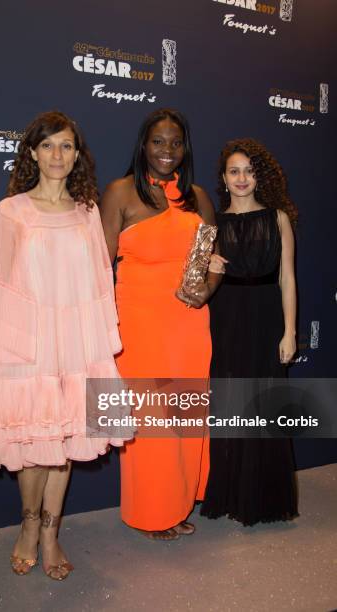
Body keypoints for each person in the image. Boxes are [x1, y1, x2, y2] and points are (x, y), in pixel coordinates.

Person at [0, 111, 128, 579]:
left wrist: (101, 347)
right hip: (24, 343)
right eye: (49, 145)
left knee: (64, 441)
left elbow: (101, 281)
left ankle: (52, 533)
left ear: (78, 155)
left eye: (67, 146)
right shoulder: (10, 211)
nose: (58, 155)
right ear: (33, 153)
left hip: (75, 345)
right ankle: (29, 526)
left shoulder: (88, 211)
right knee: (31, 442)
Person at [100, 108, 222, 540]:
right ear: (143, 145)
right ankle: (151, 510)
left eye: (175, 142)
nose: (166, 151)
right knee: (152, 423)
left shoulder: (200, 198)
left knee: (184, 418)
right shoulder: (119, 193)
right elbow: (99, 263)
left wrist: (207, 289)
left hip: (188, 324)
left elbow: (211, 260)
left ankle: (177, 503)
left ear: (185, 147)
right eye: (158, 141)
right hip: (139, 324)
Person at [200, 138, 299, 526]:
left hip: (266, 316)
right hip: (225, 318)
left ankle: (263, 499)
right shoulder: (212, 225)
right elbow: (195, 280)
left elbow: (288, 278)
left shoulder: (277, 219)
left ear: (259, 177)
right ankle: (229, 493)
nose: (242, 178)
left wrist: (290, 331)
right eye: (234, 171)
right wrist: (207, 262)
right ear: (223, 178)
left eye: (249, 171)